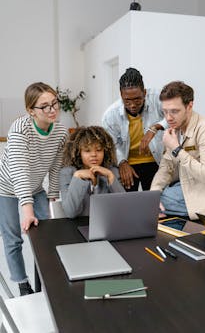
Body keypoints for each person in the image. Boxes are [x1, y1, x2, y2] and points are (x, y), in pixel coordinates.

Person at [0, 82, 68, 295]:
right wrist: (27, 210)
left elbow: (56, 168)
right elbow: (19, 171)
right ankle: (23, 284)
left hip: (37, 186)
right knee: (13, 238)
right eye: (45, 106)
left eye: (55, 103)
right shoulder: (20, 130)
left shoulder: (60, 131)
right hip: (6, 188)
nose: (52, 110)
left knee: (48, 232)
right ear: (31, 110)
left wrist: (53, 198)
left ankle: (47, 278)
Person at [150, 81, 205, 220]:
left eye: (175, 111)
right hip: (185, 187)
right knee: (149, 199)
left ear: (189, 106)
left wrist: (176, 149)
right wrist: (153, 196)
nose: (168, 118)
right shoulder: (174, 130)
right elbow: (166, 168)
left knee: (147, 203)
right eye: (165, 112)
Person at [102, 67, 167, 191]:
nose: (132, 105)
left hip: (156, 160)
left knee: (155, 201)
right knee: (128, 203)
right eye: (127, 100)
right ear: (121, 95)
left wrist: (155, 127)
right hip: (128, 162)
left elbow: (174, 116)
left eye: (137, 99)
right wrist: (121, 162)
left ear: (144, 92)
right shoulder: (110, 115)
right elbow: (112, 144)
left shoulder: (158, 98)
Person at [60, 126, 125, 218]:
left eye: (99, 150)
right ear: (79, 153)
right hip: (77, 226)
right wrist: (78, 177)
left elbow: (125, 207)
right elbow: (71, 212)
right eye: (87, 151)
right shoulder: (67, 173)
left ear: (105, 151)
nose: (94, 155)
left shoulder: (112, 171)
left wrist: (110, 176)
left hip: (107, 225)